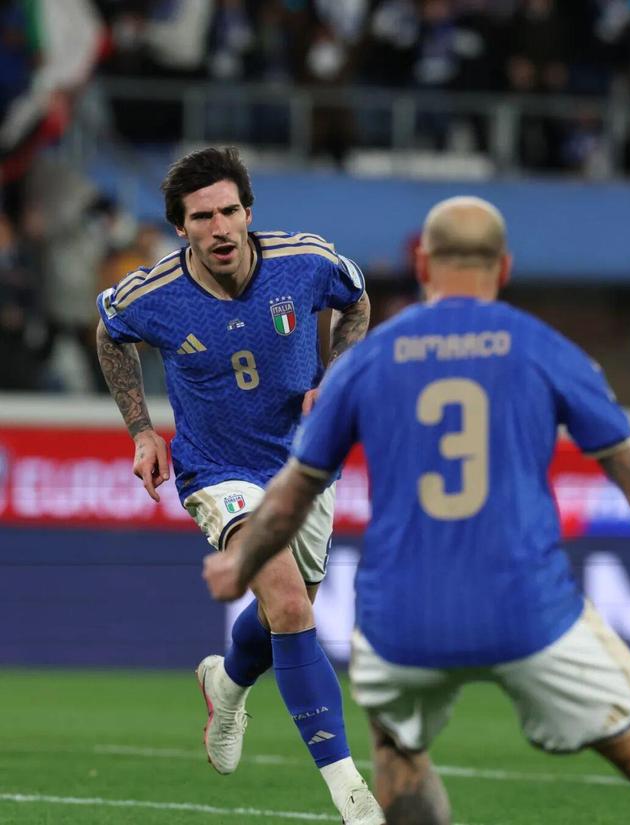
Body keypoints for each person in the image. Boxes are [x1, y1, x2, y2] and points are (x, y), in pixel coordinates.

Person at [203, 195, 630, 824]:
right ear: (505, 267)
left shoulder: (368, 359)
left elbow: (292, 492)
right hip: (525, 604)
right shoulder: (546, 350)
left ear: (422, 264)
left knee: (400, 753)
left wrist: (241, 562)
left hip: (400, 618)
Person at [95, 146, 384, 825]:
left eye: (229, 211)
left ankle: (225, 682)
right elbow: (110, 334)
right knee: (287, 602)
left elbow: (357, 301)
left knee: (290, 609)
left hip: (304, 466)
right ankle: (354, 796)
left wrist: (336, 377)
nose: (219, 227)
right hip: (216, 470)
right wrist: (141, 429)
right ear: (181, 227)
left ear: (248, 212)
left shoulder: (305, 261)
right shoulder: (152, 295)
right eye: (202, 217)